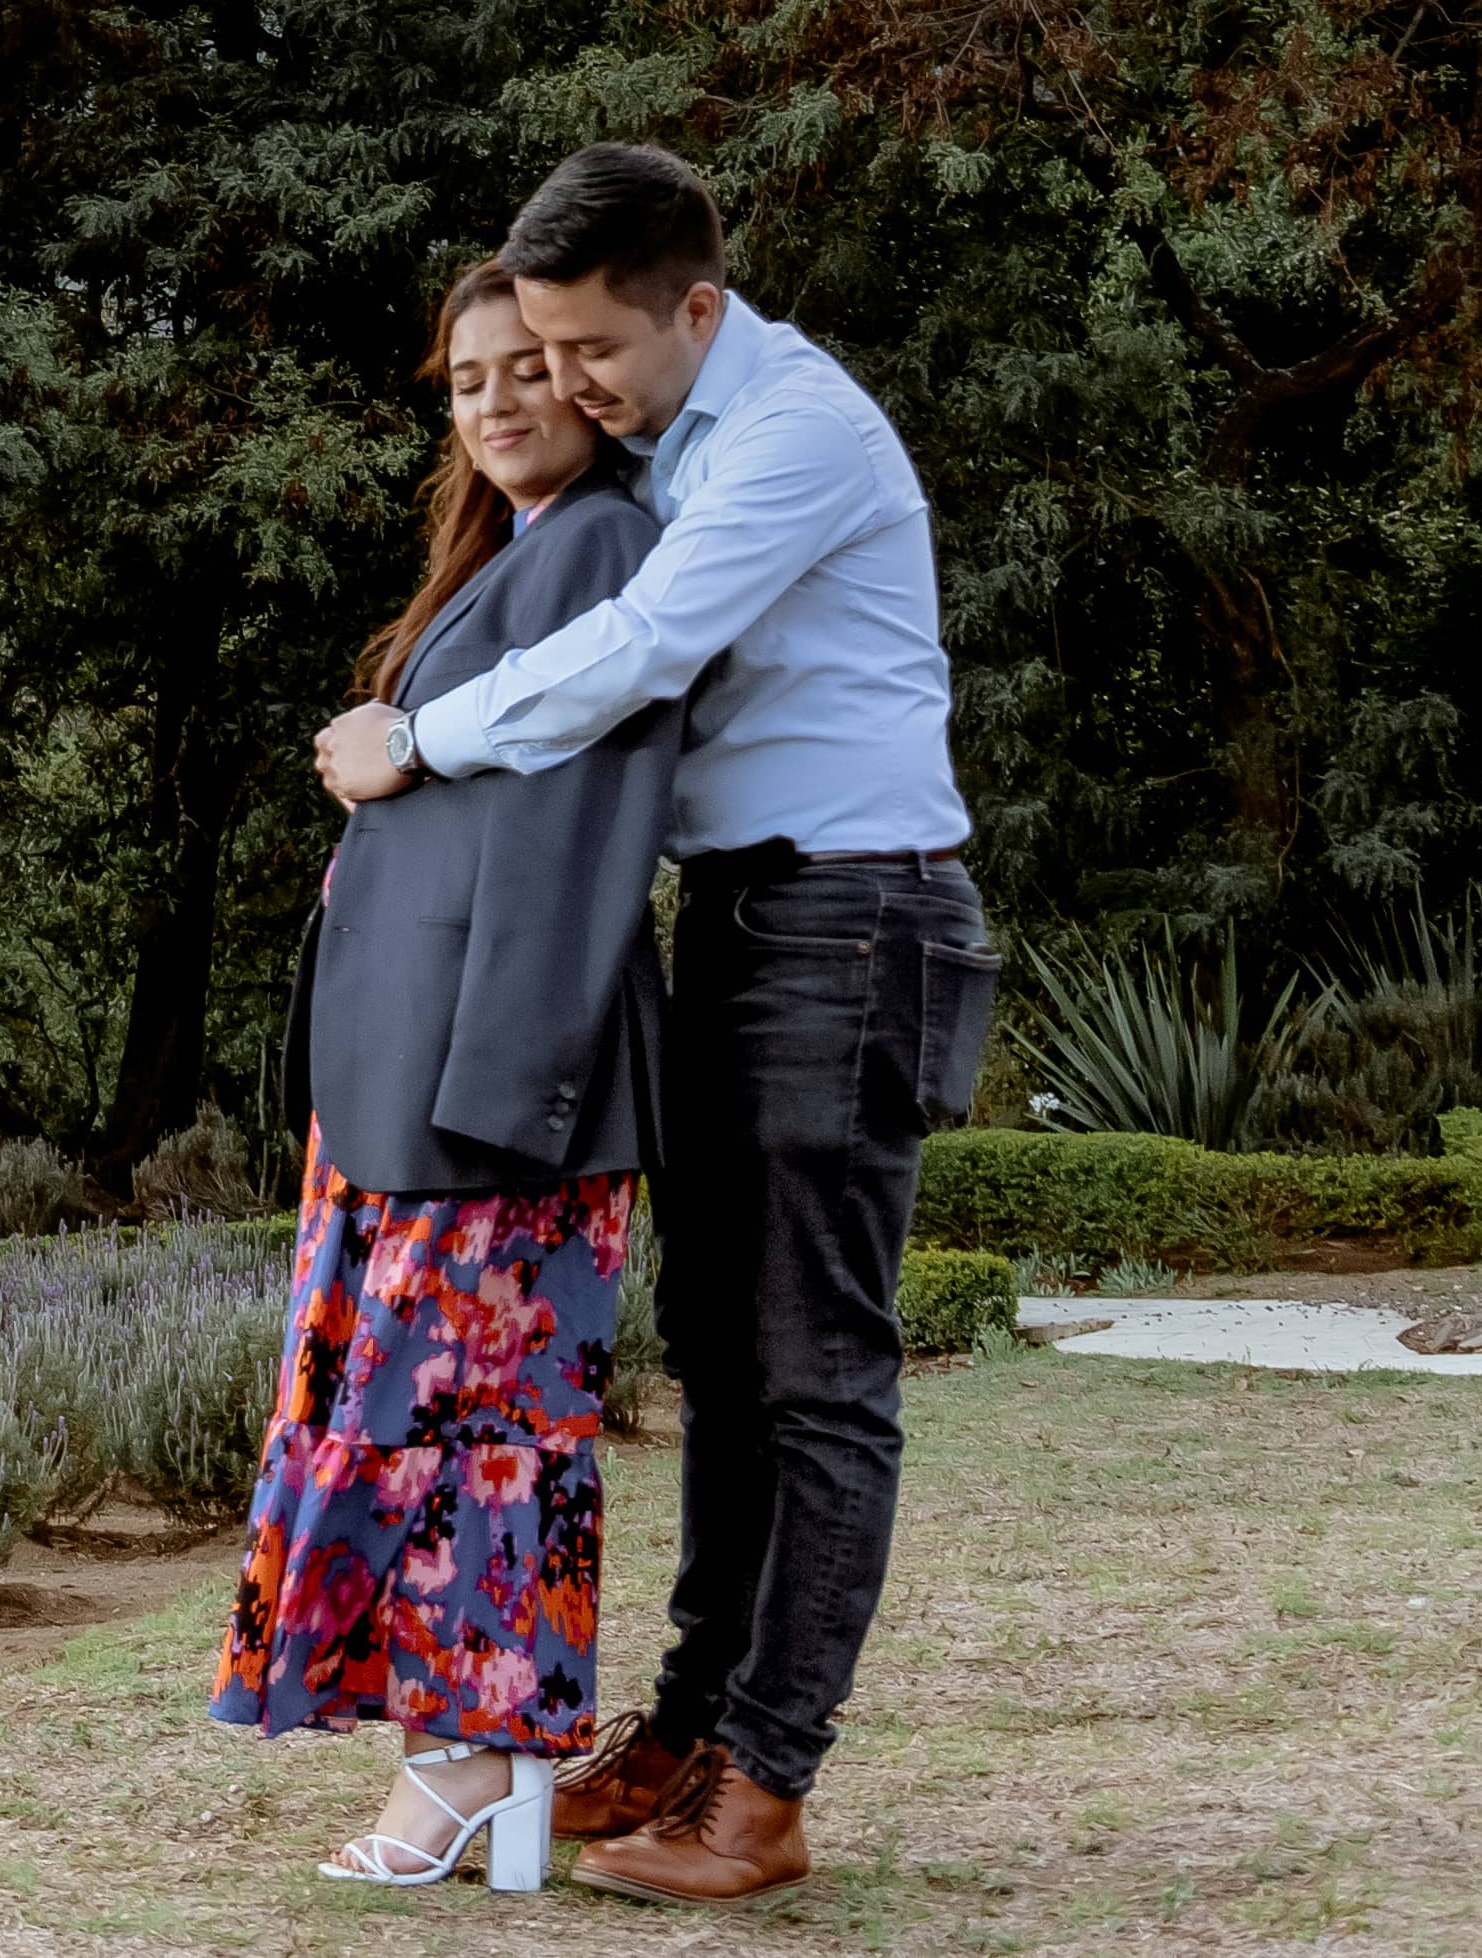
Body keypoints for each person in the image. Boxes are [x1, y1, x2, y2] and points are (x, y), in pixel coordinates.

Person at [306, 143, 982, 1910]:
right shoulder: (672, 434)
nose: (567, 384)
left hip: (858, 913)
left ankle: (767, 1784)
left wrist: (416, 734)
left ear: (697, 305)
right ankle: (687, 1731)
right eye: (535, 348)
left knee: (818, 1370)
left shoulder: (791, 433)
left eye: (593, 348)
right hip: (754, 917)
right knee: (725, 1360)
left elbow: (646, 640)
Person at [219, 260, 687, 1891]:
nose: (494, 401)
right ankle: (466, 1756)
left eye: (528, 370)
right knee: (419, 1417)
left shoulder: (608, 546)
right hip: (410, 1086)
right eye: (466, 378)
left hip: (488, 1094)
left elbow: (575, 845)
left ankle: (477, 1763)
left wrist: (508, 1090)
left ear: (591, 383)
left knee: (475, 1428)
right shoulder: (516, 560)